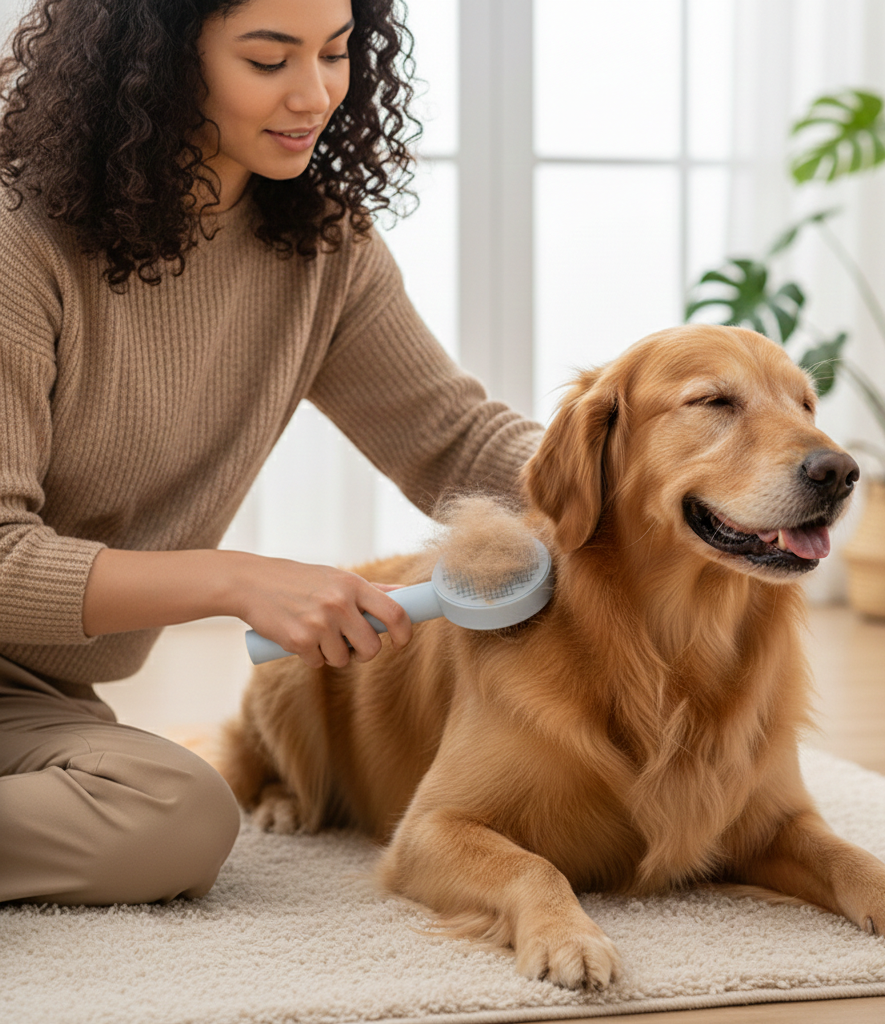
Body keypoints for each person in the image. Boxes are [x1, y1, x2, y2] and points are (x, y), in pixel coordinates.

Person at [0, 0, 542, 906]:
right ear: (157, 60)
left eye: (336, 53)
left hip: (31, 696)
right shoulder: (18, 234)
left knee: (176, 814)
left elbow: (455, 439)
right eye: (268, 59)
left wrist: (652, 476)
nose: (316, 94)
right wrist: (238, 581)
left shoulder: (323, 246)